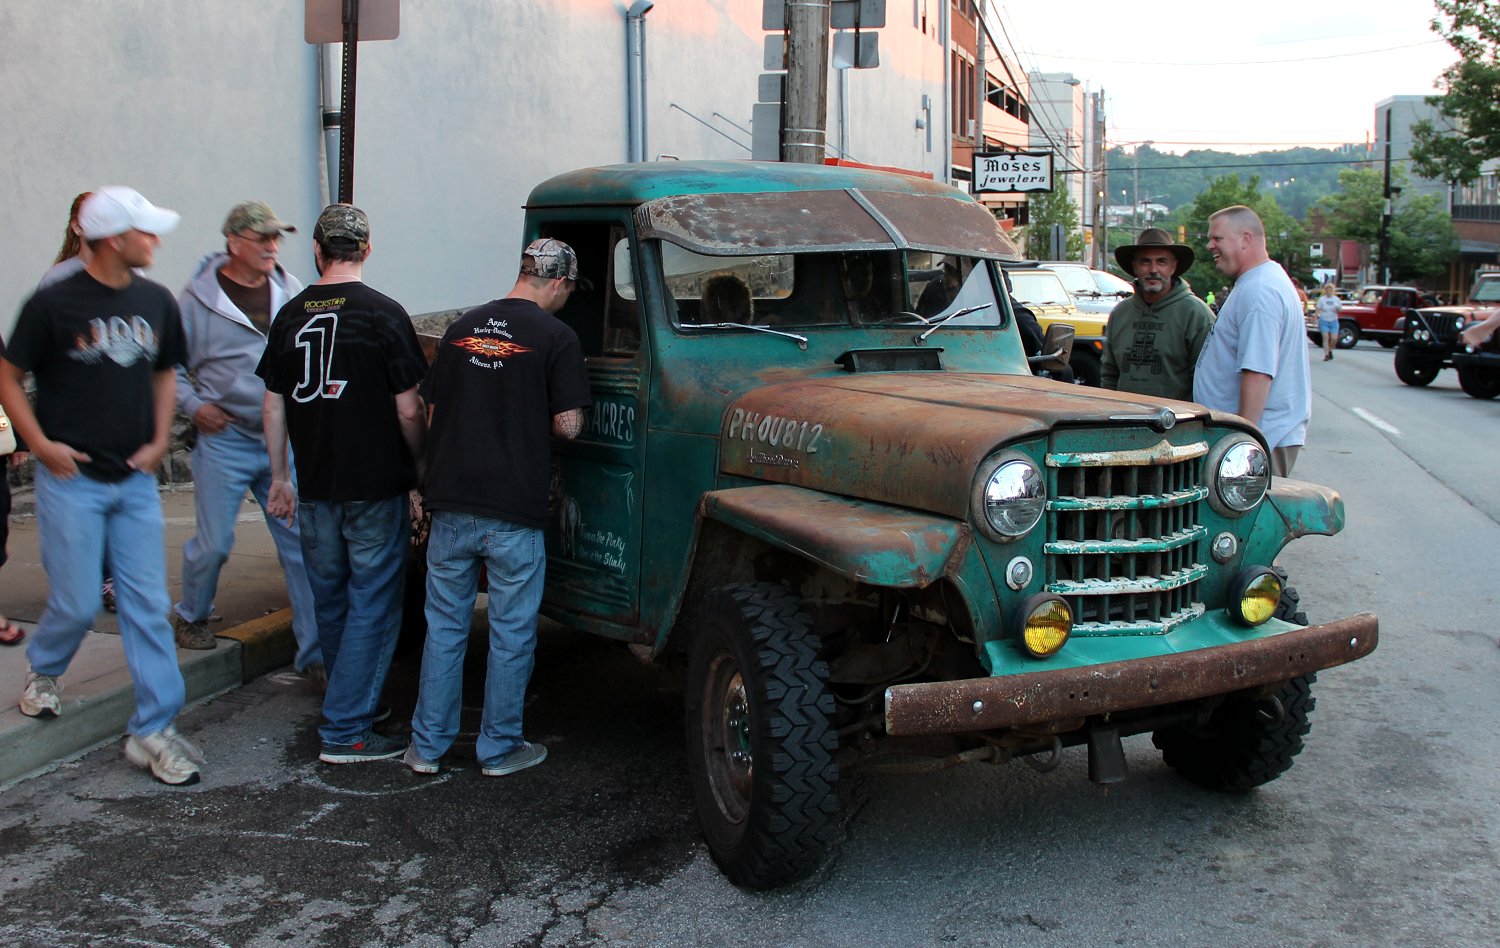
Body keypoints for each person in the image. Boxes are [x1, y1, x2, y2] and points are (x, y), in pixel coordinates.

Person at [0, 186, 204, 785]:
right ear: (114, 239)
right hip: (72, 482)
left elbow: (164, 372)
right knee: (76, 601)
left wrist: (158, 439)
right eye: (145, 231)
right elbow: (8, 376)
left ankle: (154, 728)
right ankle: (44, 669)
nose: (156, 240)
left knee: (148, 605)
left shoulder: (155, 300)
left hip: (134, 481)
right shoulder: (52, 303)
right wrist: (40, 444)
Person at [405, 238, 591, 777]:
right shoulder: (556, 336)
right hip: (512, 506)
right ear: (558, 282)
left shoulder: (462, 327)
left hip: (451, 502)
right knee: (511, 633)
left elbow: (431, 411)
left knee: (445, 628)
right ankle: (500, 747)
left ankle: (427, 748)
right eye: (570, 289)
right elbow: (568, 426)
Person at [257, 204, 427, 764]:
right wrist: (421, 464)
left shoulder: (289, 315)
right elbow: (409, 409)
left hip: (315, 486)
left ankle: (357, 704)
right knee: (374, 605)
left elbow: (273, 405)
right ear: (367, 249)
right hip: (374, 486)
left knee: (331, 604)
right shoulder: (384, 314)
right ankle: (347, 730)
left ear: (316, 249)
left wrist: (280, 477)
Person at [169, 202, 322, 678]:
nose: (273, 247)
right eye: (263, 238)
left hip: (283, 438)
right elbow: (170, 368)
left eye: (277, 238)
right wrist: (196, 407)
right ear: (234, 242)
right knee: (215, 542)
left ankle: (315, 655)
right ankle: (192, 613)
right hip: (226, 437)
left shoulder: (292, 290)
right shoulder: (196, 300)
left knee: (300, 546)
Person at [1193, 205, 1311, 477]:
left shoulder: (1260, 292)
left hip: (1257, 445)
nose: (1210, 246)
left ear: (1246, 238)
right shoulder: (1259, 282)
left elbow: (1257, 372)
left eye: (1217, 238)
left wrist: (1242, 446)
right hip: (1251, 441)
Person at [1101, 227, 1215, 401]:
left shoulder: (1196, 314)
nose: (1153, 269)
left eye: (1161, 261)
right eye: (1145, 262)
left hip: (1177, 417)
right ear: (1134, 266)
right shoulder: (1120, 314)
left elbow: (1207, 381)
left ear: (1173, 266)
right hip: (1125, 416)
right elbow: (1109, 374)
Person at [1314, 283, 1343, 362]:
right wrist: (1315, 318)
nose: (1329, 292)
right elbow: (1317, 309)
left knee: (1334, 338)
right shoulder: (1322, 299)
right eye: (1327, 290)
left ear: (1333, 291)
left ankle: (1330, 350)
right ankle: (1326, 354)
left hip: (1333, 320)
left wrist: (1338, 308)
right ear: (1325, 291)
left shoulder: (1336, 300)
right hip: (1324, 320)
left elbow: (1340, 310)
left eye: (1330, 290)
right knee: (1325, 337)